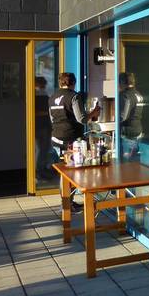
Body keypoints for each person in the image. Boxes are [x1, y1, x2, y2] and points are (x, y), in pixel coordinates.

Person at [49, 72, 99, 211]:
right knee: (71, 173)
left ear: (60, 82)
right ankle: (67, 205)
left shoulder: (52, 97)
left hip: (56, 139)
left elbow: (52, 119)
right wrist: (94, 113)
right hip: (70, 140)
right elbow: (81, 119)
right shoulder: (73, 96)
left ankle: (67, 203)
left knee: (64, 172)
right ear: (73, 83)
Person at [119, 73, 144, 158]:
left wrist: (115, 121)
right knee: (135, 160)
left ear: (122, 82)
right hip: (138, 130)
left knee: (126, 161)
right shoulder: (138, 94)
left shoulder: (125, 95)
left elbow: (123, 116)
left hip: (128, 133)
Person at [34, 76, 53, 179]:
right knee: (42, 149)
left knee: (41, 149)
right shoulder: (42, 96)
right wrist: (47, 113)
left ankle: (40, 169)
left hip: (39, 126)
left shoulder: (35, 96)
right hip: (43, 126)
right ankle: (40, 170)